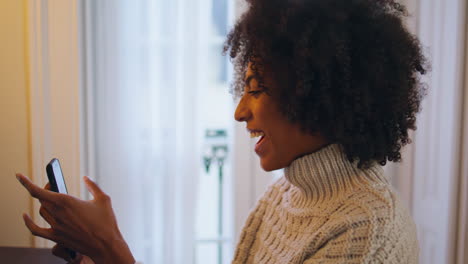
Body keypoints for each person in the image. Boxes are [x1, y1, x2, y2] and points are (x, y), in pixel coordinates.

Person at [16, 0, 427, 263]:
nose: (239, 112)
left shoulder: (365, 235)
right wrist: (96, 251)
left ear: (319, 94)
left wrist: (112, 249)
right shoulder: (288, 193)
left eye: (256, 89)